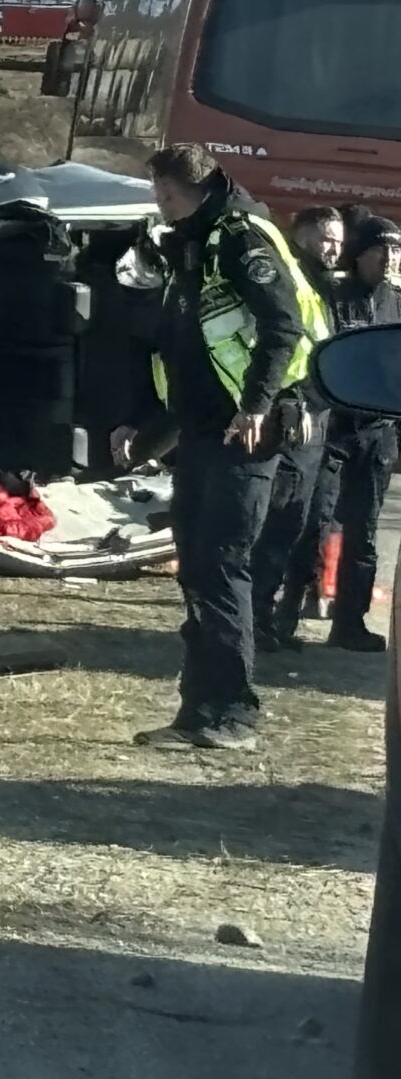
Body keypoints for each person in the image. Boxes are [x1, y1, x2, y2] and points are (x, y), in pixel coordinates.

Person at [112, 145, 330, 751]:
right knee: (199, 567)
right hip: (204, 428)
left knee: (222, 564)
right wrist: (144, 424)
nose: (162, 207)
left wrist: (257, 404)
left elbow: (283, 327)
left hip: (248, 432)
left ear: (200, 188)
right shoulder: (189, 244)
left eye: (169, 196)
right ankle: (197, 712)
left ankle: (232, 714)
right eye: (158, 197)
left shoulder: (239, 237)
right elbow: (180, 348)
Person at [251, 207, 346, 650]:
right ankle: (255, 620)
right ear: (303, 233)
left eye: (339, 242)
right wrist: (297, 403)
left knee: (295, 527)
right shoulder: (291, 278)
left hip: (317, 422)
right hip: (291, 419)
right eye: (326, 238)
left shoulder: (325, 285)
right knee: (275, 525)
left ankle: (270, 622)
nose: (333, 248)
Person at [325, 213, 401, 652]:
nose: (389, 259)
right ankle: (281, 615)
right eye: (379, 251)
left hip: (379, 435)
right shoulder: (337, 295)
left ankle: (349, 623)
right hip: (334, 430)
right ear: (360, 255)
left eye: (395, 251)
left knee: (364, 533)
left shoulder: (397, 301)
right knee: (311, 525)